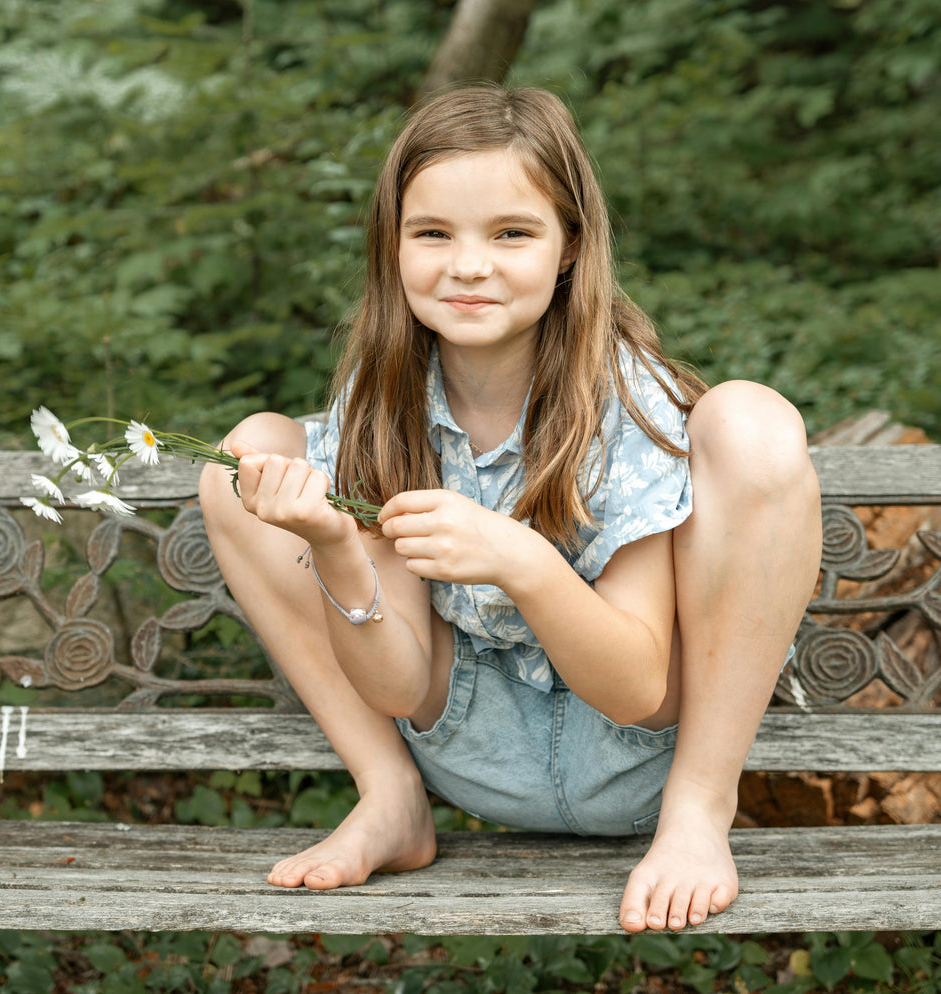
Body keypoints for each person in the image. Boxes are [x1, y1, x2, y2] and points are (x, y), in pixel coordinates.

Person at [198, 85, 822, 932]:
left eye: (512, 233)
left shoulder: (626, 405)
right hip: (463, 745)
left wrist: (522, 560)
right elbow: (402, 683)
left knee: (753, 422)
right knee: (243, 457)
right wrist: (335, 548)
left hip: (637, 755)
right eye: (432, 234)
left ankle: (699, 816)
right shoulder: (383, 404)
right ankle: (389, 799)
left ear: (570, 245)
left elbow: (637, 688)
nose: (468, 265)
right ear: (393, 245)